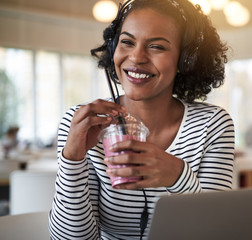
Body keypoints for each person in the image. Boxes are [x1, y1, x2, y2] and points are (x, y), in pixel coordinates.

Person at [49, 0, 235, 239]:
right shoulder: (83, 123)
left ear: (185, 60)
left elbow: (215, 232)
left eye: (156, 46)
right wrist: (72, 160)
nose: (136, 57)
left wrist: (177, 175)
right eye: (127, 42)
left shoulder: (213, 124)